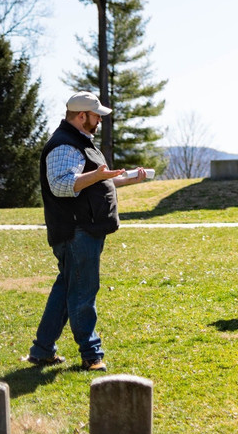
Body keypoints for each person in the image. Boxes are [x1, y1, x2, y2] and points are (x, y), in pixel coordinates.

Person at [24, 91, 149, 372]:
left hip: (84, 228)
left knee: (66, 289)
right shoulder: (64, 145)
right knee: (82, 293)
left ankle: (42, 350)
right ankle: (91, 355)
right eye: (97, 116)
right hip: (76, 230)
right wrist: (98, 175)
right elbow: (61, 184)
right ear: (82, 116)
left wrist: (127, 178)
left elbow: (95, 181)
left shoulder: (81, 142)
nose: (100, 121)